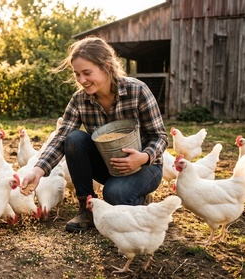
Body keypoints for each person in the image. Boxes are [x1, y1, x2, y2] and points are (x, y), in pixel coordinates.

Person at [20, 36, 168, 233]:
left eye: (87, 73)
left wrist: (143, 157)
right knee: (73, 139)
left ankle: (138, 197)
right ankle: (86, 208)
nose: (82, 80)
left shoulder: (138, 91)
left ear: (106, 67)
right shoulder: (80, 100)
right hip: (108, 166)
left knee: (114, 195)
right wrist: (38, 170)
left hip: (144, 167)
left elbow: (159, 136)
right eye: (77, 74)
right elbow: (61, 137)